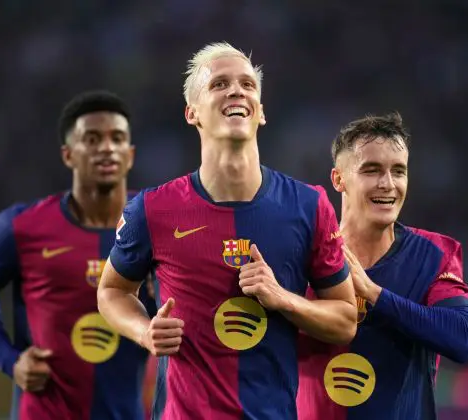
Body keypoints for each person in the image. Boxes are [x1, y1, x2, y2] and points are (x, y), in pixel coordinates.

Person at [97, 42, 358, 420]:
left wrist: (282, 298)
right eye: (219, 84)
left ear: (261, 112)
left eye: (248, 85)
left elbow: (345, 321)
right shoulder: (153, 210)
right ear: (193, 113)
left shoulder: (308, 205)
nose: (236, 90)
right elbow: (112, 291)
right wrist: (143, 331)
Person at [0, 91, 156, 420]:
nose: (106, 148)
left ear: (130, 154)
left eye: (117, 138)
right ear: (68, 155)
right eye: (91, 139)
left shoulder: (155, 225)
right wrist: (10, 359)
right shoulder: (22, 227)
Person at [296, 112, 468, 420]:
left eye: (399, 171)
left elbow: (462, 338)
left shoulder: (434, 254)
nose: (388, 184)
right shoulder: (302, 255)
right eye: (372, 170)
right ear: (338, 179)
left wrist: (374, 294)